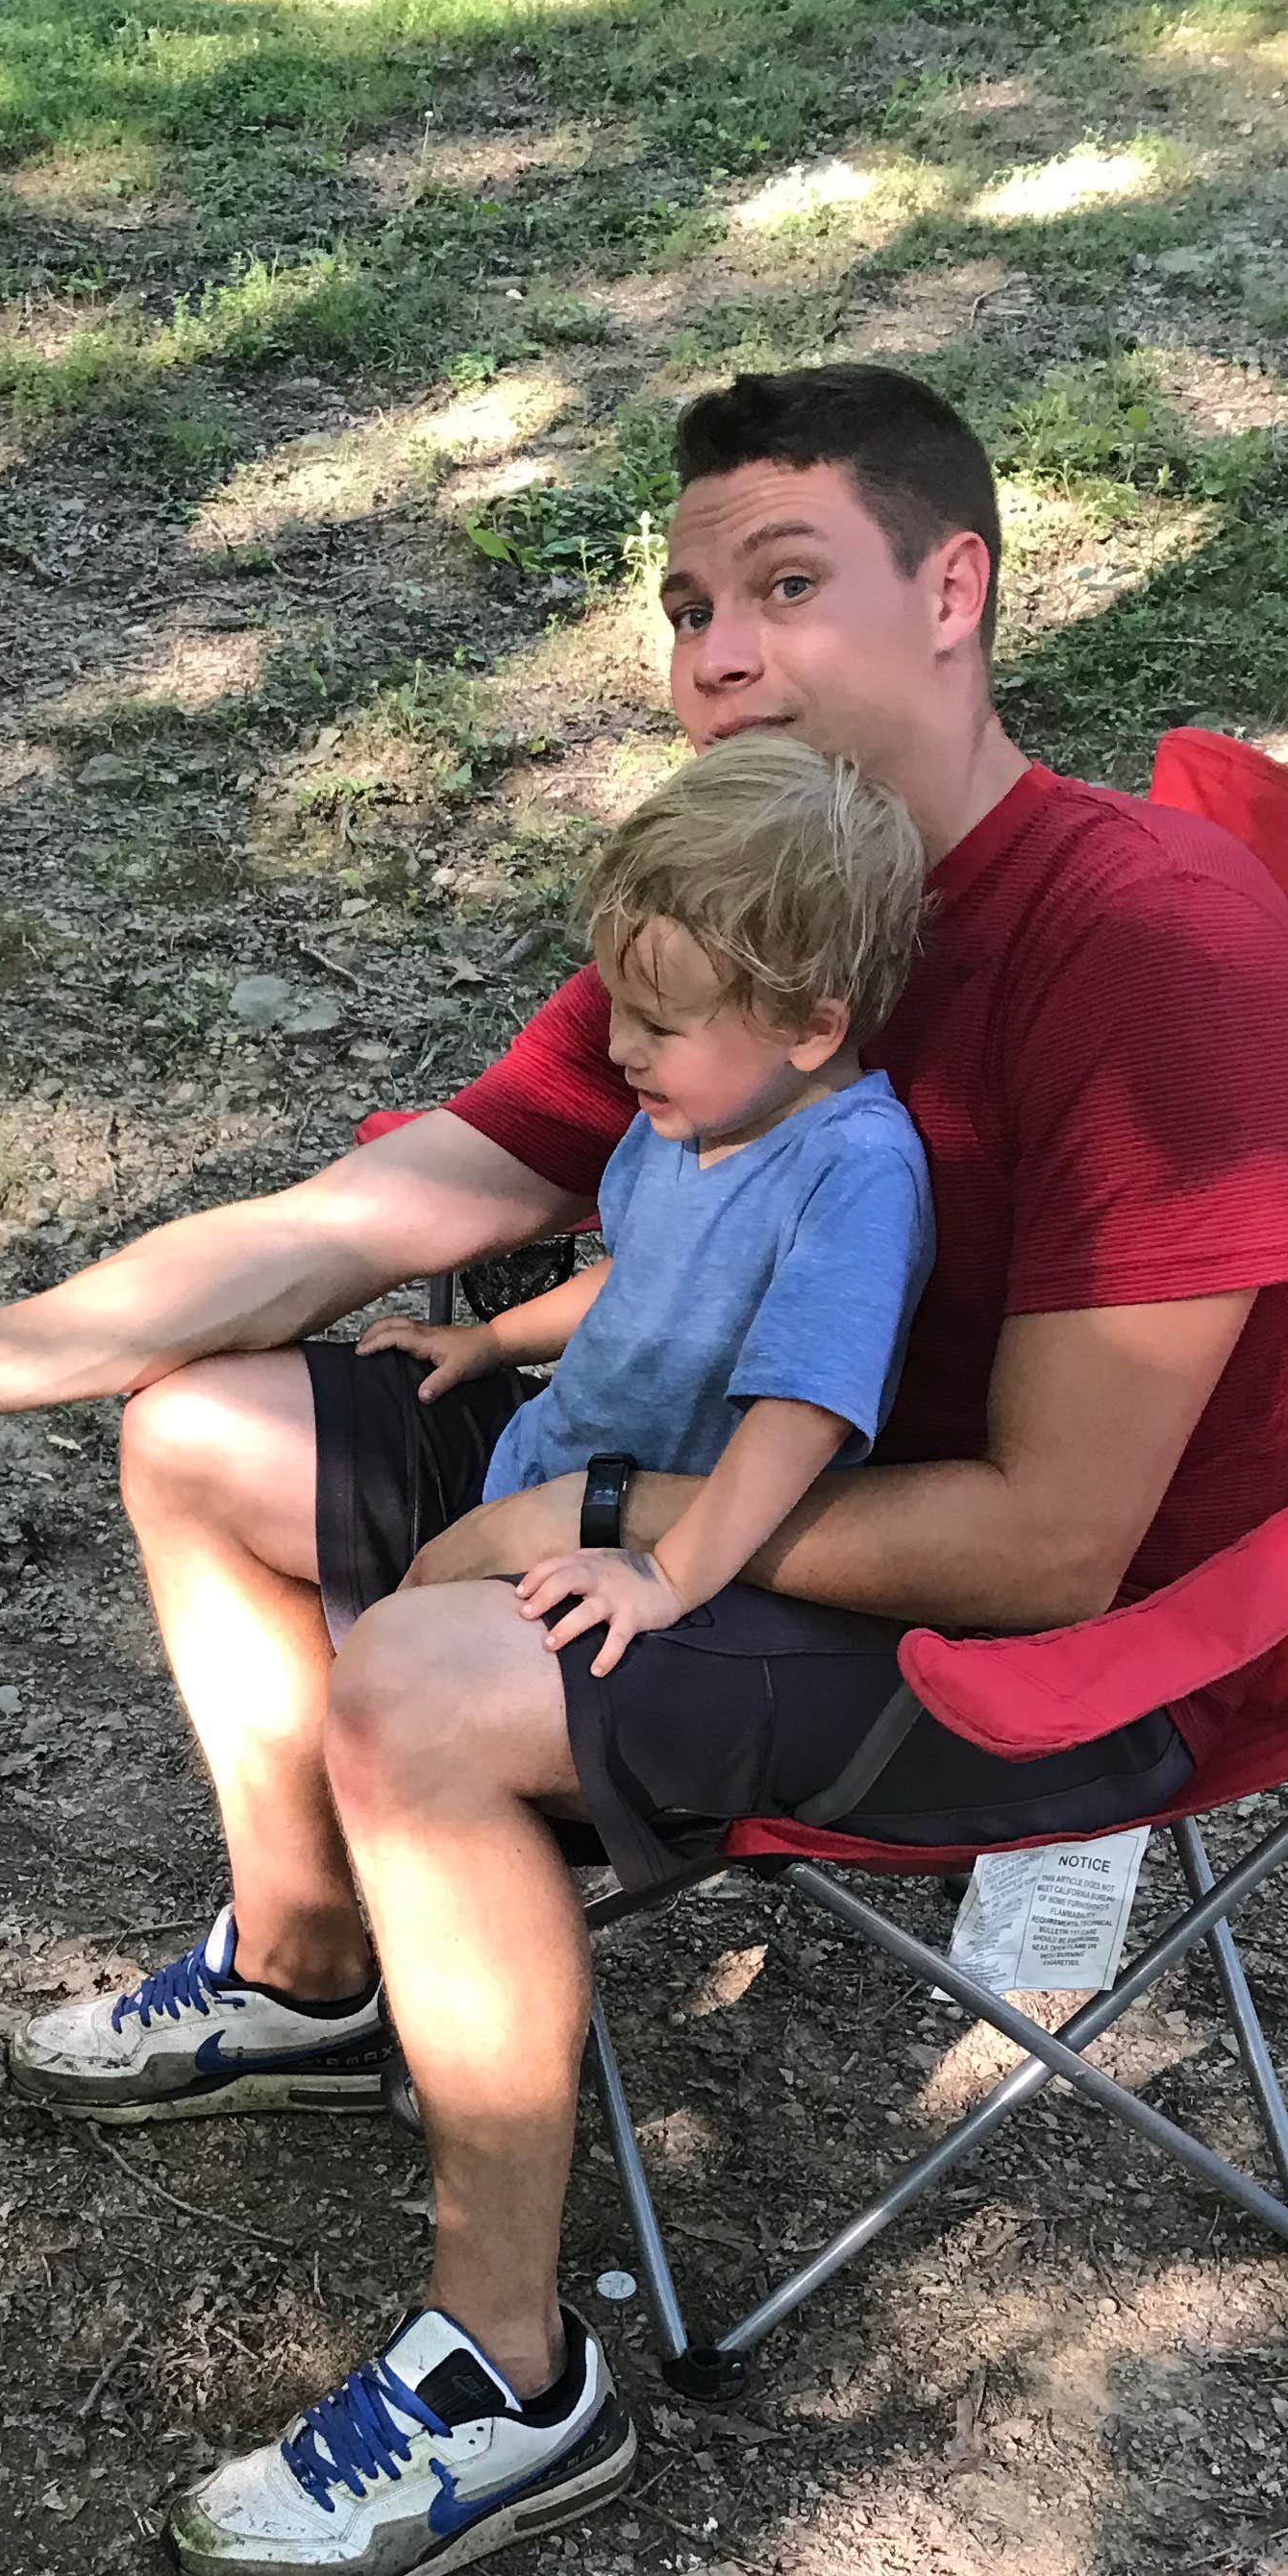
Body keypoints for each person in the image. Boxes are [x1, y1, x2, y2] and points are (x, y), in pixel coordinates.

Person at [0, 360, 1288, 2576]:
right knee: (203, 1430)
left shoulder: (1147, 942)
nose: (713, 655)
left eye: (784, 586)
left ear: (958, 591)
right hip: (701, 1466)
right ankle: (311, 1960)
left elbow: (1063, 1537)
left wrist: (601, 1526)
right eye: (683, 606)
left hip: (1017, 1637)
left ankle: (515, 2377)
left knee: (433, 1687)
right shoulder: (755, 909)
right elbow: (367, 1215)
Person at [348, 728, 936, 1901]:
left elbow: (804, 1415)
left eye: (658, 1024)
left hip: (665, 1570)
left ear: (812, 1027)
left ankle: (434, 1921)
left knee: (385, 1679)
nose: (617, 1047)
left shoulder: (854, 1172)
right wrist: (495, 1341)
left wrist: (668, 1576)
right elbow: (642, 1275)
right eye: (618, 1005)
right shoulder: (688, 1113)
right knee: (375, 1666)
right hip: (547, 1476)